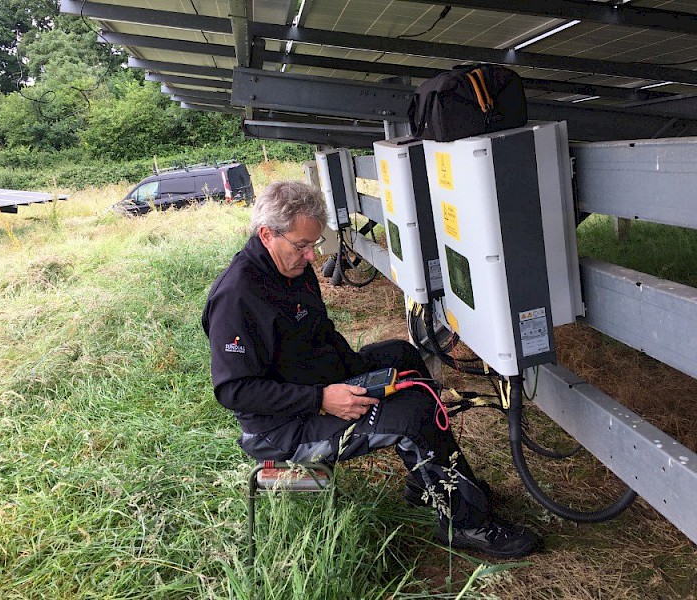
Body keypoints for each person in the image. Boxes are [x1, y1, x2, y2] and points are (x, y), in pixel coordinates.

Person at [201, 180, 540, 558]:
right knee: (414, 414)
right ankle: (466, 524)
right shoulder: (237, 297)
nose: (312, 256)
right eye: (302, 245)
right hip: (281, 426)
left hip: (317, 385)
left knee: (402, 355)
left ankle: (427, 481)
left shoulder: (293, 270)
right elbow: (234, 392)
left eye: (314, 245)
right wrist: (322, 399)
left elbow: (320, 332)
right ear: (267, 235)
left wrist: (357, 371)